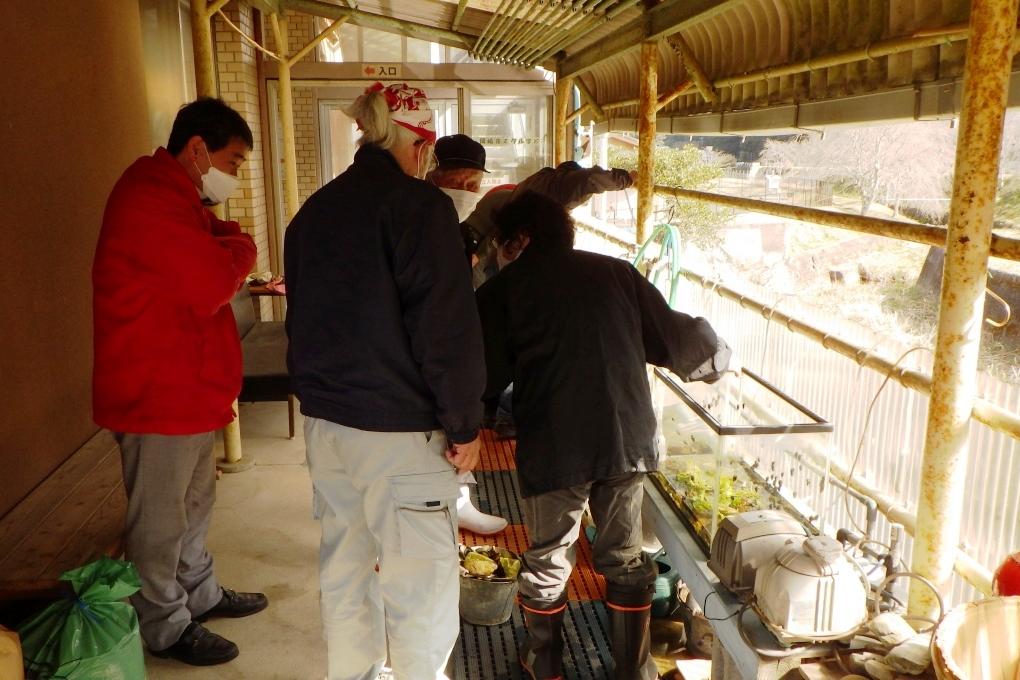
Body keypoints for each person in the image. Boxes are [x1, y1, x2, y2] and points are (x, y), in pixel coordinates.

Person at [476, 192, 731, 680]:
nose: (498, 253)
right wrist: (717, 356)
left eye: (502, 243)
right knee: (623, 555)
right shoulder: (617, 273)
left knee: (550, 555)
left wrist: (468, 423)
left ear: (521, 239)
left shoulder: (507, 289)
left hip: (555, 446)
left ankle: (544, 664)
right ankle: (632, 671)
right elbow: (678, 341)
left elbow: (482, 375)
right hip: (625, 441)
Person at [284, 82, 485, 680]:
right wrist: (465, 423)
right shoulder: (422, 210)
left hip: (326, 429)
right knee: (419, 587)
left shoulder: (314, 209)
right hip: (397, 433)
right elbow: (445, 330)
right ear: (420, 145)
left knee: (345, 570)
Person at [92, 97, 268, 667]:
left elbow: (215, 242)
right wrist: (241, 246)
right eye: (234, 161)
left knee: (194, 504)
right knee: (160, 521)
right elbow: (214, 280)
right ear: (198, 149)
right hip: (156, 393)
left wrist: (227, 239)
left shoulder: (177, 196)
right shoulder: (149, 196)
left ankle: (199, 593)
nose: (235, 175)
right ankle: (164, 624)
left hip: (185, 390)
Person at [427, 134, 509, 536]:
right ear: (434, 173)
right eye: (457, 182)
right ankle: (447, 505)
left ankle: (459, 502)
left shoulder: (462, 229)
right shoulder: (417, 219)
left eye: (472, 184)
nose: (466, 191)